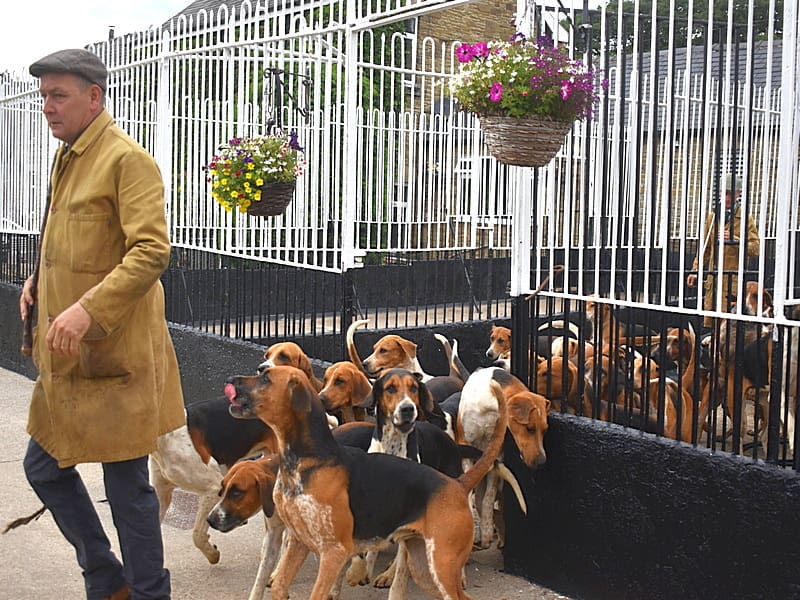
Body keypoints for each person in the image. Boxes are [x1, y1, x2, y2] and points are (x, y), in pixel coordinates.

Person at [18, 49, 185, 600]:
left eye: (58, 95)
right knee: (44, 466)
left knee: (128, 486)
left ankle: (148, 591)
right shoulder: (68, 157)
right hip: (67, 358)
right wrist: (38, 281)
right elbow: (75, 240)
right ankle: (106, 576)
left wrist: (88, 308)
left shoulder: (126, 159)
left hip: (117, 356)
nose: (47, 106)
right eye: (43, 96)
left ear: (94, 97)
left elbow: (150, 251)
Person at [686, 173, 760, 328]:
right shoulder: (712, 217)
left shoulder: (746, 219)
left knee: (731, 326)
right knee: (712, 324)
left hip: (733, 282)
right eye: (725, 193)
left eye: (732, 194)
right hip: (714, 280)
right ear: (719, 193)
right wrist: (695, 270)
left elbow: (755, 249)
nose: (727, 198)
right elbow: (705, 248)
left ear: (738, 194)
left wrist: (736, 240)